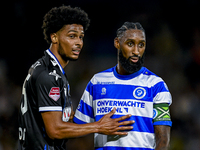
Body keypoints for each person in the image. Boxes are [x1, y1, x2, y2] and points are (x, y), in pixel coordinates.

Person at [17, 6, 135, 150]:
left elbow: (52, 121)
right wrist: (98, 126)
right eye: (72, 36)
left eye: (81, 37)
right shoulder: (48, 75)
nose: (79, 42)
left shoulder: (50, 70)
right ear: (54, 37)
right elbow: (54, 130)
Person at [74, 22, 172, 150]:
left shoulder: (156, 85)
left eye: (141, 45)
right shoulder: (97, 82)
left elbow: (163, 140)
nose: (136, 51)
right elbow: (79, 130)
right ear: (117, 43)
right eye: (130, 44)